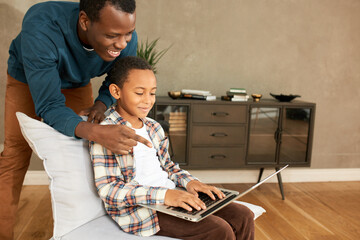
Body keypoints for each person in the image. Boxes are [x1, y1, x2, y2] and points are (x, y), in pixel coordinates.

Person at [0, 1, 153, 239]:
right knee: (15, 153)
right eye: (113, 35)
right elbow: (49, 105)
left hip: (76, 82)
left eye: (128, 34)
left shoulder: (125, 37)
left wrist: (102, 103)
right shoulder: (41, 28)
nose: (122, 44)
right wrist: (95, 131)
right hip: (28, 79)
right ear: (84, 21)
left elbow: (118, 78)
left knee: (83, 150)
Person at [90, 56, 255, 240]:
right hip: (144, 209)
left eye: (152, 93)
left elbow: (169, 167)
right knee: (219, 230)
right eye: (139, 93)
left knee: (243, 216)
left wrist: (191, 182)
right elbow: (110, 190)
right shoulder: (106, 133)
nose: (148, 100)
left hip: (174, 194)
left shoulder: (153, 127)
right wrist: (164, 196)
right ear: (116, 91)